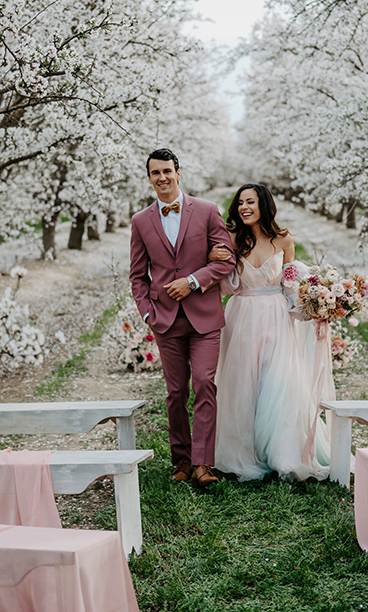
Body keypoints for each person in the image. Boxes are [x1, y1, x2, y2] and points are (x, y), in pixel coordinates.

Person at [209, 183, 334, 482]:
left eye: (250, 202)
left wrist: (314, 309)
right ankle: (244, 452)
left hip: (276, 316)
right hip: (242, 314)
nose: (244, 208)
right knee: (242, 382)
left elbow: (290, 286)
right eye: (240, 203)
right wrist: (214, 258)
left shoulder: (283, 239)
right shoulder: (233, 237)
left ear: (263, 204)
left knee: (278, 382)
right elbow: (225, 284)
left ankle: (282, 452)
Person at [130, 148, 235, 488]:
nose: (162, 177)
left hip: (204, 317)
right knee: (176, 392)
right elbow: (137, 275)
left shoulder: (206, 211)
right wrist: (147, 312)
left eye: (167, 171)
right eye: (155, 172)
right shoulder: (140, 221)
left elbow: (226, 260)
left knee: (205, 384)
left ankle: (204, 463)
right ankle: (182, 461)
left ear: (178, 173)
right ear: (149, 178)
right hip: (164, 320)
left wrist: (192, 281)